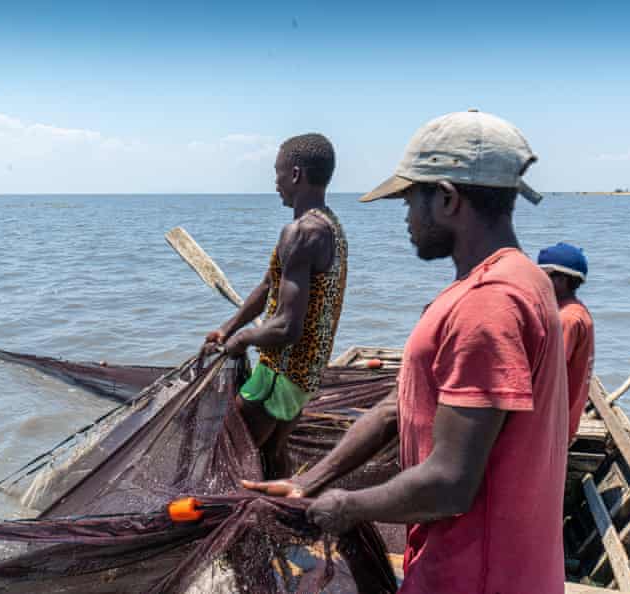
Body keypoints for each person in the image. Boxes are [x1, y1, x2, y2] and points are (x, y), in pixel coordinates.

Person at [244, 110, 568, 593]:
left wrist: (346, 506)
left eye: (409, 199)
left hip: (474, 576)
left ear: (446, 198)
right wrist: (309, 483)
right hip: (495, 566)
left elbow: (450, 484)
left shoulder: (488, 304)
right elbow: (400, 406)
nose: (406, 217)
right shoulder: (524, 279)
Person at [202, 133, 347, 479]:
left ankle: (241, 522)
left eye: (278, 173)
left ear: (295, 174)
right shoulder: (330, 226)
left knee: (232, 451)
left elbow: (286, 327)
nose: (276, 183)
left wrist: (244, 340)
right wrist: (229, 327)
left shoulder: (301, 232)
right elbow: (270, 284)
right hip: (307, 373)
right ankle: (285, 516)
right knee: (271, 450)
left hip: (281, 371)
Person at [539, 242, 595, 442]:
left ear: (561, 279)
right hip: (564, 416)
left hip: (551, 421)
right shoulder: (575, 309)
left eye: (542, 275)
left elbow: (548, 372)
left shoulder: (566, 318)